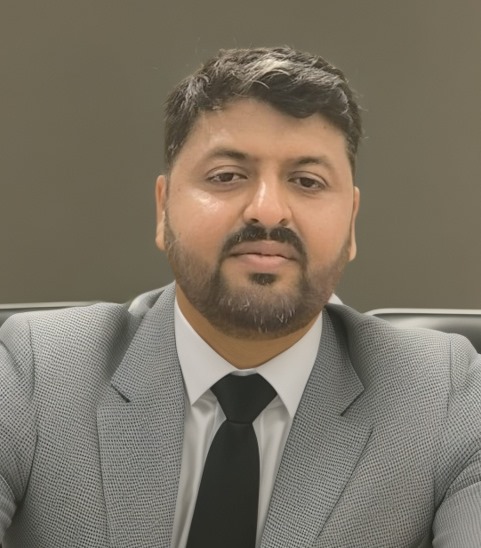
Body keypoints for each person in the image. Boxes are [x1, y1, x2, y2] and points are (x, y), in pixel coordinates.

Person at [0, 46, 480, 548]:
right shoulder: (36, 369)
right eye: (227, 176)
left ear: (352, 224)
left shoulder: (447, 396)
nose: (268, 211)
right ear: (163, 210)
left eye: (307, 181)